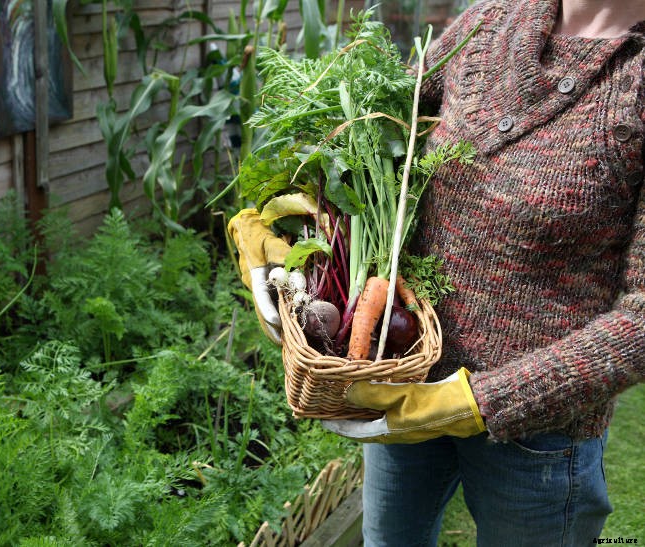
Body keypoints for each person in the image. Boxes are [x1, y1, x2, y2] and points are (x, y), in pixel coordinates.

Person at [228, 0, 645, 544]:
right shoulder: (492, 22)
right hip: (402, 377)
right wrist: (270, 226)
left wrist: (477, 403)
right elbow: (366, 127)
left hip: (538, 435)